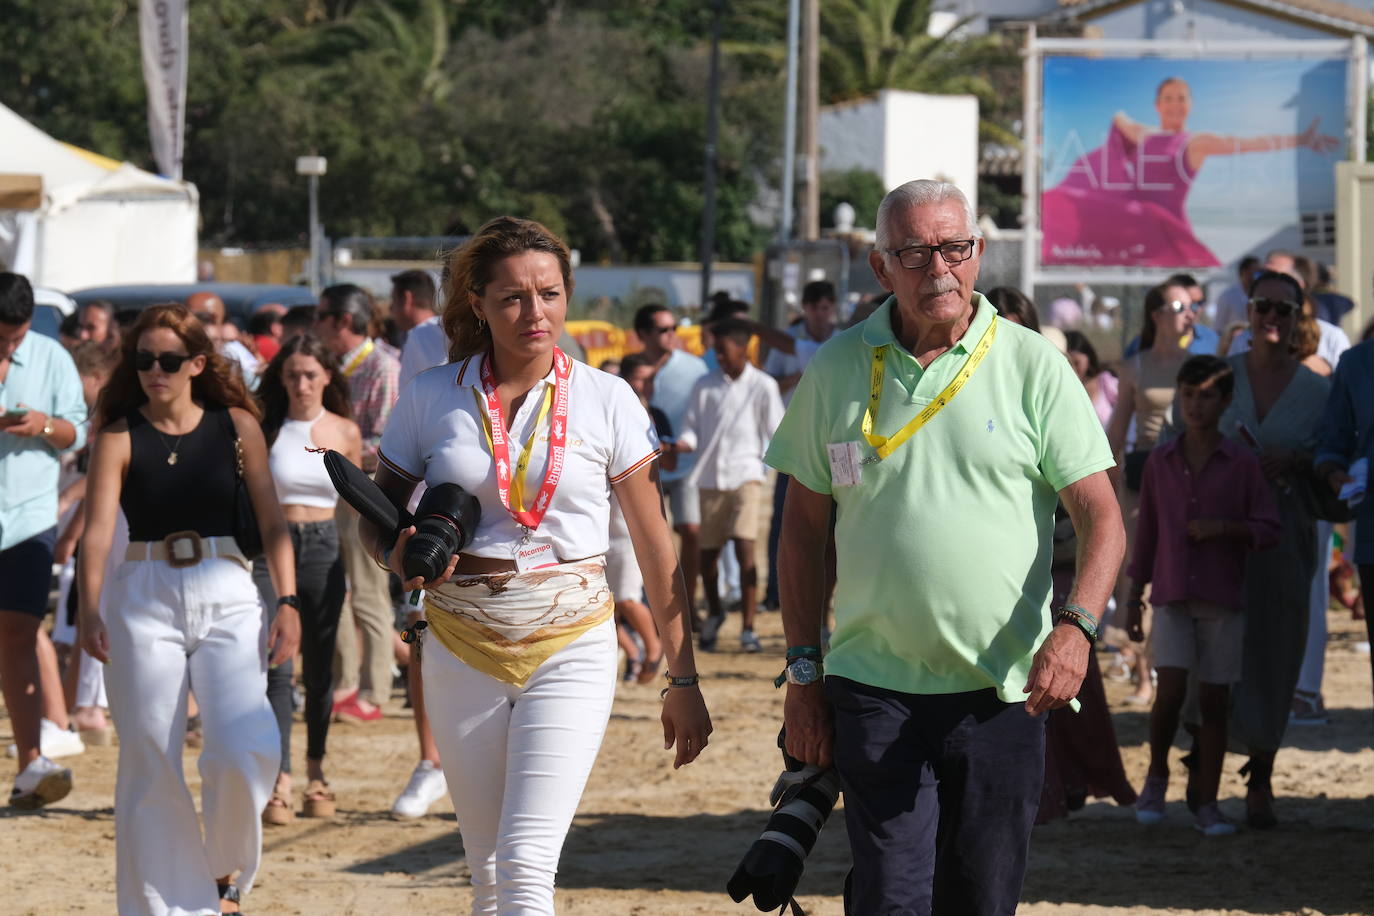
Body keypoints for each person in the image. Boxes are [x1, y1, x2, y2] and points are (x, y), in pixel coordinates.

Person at [767, 180, 1123, 913]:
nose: (939, 267)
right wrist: (803, 673)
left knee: (979, 901)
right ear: (880, 267)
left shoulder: (1031, 364)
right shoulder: (837, 367)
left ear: (978, 252)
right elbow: (801, 534)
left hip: (1003, 694)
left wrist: (1077, 628)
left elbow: (1103, 519)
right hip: (873, 689)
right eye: (915, 252)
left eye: (955, 248)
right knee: (891, 899)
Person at [364, 216, 710, 912]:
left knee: (524, 864)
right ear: (477, 304)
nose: (535, 313)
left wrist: (683, 677)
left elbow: (655, 545)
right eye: (513, 298)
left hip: (572, 640)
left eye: (549, 294)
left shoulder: (608, 398)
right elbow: (377, 516)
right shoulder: (430, 394)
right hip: (459, 639)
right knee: (487, 872)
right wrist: (395, 552)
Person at [78, 303, 301, 914]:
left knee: (241, 746)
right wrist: (89, 609)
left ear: (198, 364)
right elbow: (97, 533)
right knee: (149, 754)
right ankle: (168, 905)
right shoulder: (118, 435)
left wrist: (287, 600)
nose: (156, 370)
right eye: (144, 359)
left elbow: (272, 521)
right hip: (142, 595)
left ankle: (223, 871)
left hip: (229, 589)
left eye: (170, 360)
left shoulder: (237, 426)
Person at [1126, 355, 1280, 836]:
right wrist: (1133, 598)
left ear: (1227, 401)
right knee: (1170, 691)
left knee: (1214, 701)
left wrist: (1226, 529)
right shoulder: (1161, 462)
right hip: (1171, 594)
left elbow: (1269, 527)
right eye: (1188, 395)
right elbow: (1147, 534)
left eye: (1207, 396)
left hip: (1221, 596)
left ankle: (1208, 802)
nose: (1196, 405)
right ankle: (1156, 776)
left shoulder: (1242, 464)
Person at [1217, 269, 1331, 828]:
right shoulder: (1219, 379)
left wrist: (1300, 461)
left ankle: (1261, 773)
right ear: (1249, 309)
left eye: (1284, 310)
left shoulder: (1318, 391)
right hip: (1217, 539)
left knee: (1277, 651)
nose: (1271, 317)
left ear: (1297, 318)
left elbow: (1336, 459)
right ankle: (1202, 773)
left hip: (1285, 535)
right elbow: (1177, 445)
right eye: (1263, 305)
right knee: (1214, 650)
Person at [1042, 77, 1339, 267]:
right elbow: (1122, 122)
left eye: (1181, 98)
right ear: (1157, 105)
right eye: (1168, 98)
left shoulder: (1195, 142)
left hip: (1164, 226)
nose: (1175, 104)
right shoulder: (1146, 135)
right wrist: (1119, 117)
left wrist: (1300, 140)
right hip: (1133, 220)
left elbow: (1244, 144)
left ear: (1191, 104)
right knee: (1059, 203)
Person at [254, 334, 361, 826]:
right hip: (273, 547)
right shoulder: (265, 428)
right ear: (280, 378)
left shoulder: (344, 430)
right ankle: (280, 777)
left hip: (323, 546)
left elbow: (358, 507)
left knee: (320, 668)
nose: (301, 384)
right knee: (277, 664)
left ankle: (316, 769)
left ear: (326, 378)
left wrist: (366, 570)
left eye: (310, 374)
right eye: (292, 374)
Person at [0, 272, 87, 808]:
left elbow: (77, 431)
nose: (9, 347)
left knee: (20, 633)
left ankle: (31, 762)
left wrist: (43, 425)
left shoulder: (52, 357)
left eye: (16, 337)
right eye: (1, 338)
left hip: (29, 518)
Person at [1104, 280, 1198, 704]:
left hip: (1189, 477)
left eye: (1193, 307)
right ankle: (1144, 674)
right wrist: (1107, 487)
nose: (1190, 314)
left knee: (1181, 573)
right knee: (1138, 574)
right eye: (1181, 307)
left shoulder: (1199, 365)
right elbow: (1116, 433)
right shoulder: (1135, 366)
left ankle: (1170, 667)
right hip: (1143, 479)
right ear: (1157, 315)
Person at [314, 284, 400, 722]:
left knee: (367, 591)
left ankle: (374, 690)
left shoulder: (382, 366)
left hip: (365, 487)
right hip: (332, 485)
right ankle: (346, 682)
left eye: (320, 316)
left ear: (343, 321)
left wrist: (332, 446)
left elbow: (387, 441)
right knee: (336, 589)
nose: (315, 325)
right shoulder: (332, 365)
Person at [675, 319, 785, 653]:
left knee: (744, 547)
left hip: (746, 476)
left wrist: (782, 463)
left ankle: (749, 628)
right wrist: (680, 444)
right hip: (709, 479)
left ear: (742, 348)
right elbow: (691, 428)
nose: (719, 357)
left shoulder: (763, 385)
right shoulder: (704, 385)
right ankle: (715, 613)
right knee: (708, 557)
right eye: (716, 351)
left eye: (723, 351)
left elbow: (776, 429)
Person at [762, 281, 838, 612]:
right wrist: (797, 378)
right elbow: (768, 385)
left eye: (826, 308)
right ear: (805, 308)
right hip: (797, 446)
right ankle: (776, 591)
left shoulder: (842, 340)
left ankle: (829, 601)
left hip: (836, 447)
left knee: (837, 526)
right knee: (786, 521)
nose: (821, 314)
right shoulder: (790, 344)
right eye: (815, 308)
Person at [632, 304, 708, 615]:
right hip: (640, 469)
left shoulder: (695, 368)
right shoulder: (630, 371)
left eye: (674, 328)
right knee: (648, 537)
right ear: (642, 334)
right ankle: (646, 604)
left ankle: (686, 604)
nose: (671, 335)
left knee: (691, 532)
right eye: (663, 329)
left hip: (687, 465)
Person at [607, 352, 675, 682]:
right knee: (606, 603)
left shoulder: (656, 415)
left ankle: (653, 651)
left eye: (650, 380)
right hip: (605, 516)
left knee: (627, 598)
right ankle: (636, 653)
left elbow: (670, 465)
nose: (646, 385)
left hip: (632, 520)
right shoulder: (612, 411)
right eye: (640, 378)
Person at [188, 291, 261, 386]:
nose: (186, 321)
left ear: (214, 317)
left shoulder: (232, 350)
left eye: (198, 317)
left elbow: (255, 377)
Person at [393, 269, 445, 388]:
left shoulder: (418, 336)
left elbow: (406, 392)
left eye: (394, 300)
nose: (391, 308)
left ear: (407, 299)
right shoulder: (448, 330)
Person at [1064, 330, 1118, 427]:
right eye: (1068, 364)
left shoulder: (1105, 383)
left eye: (1077, 363)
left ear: (1088, 358)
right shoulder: (1062, 389)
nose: (1073, 368)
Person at [1214, 255, 1261, 333]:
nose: (1257, 276)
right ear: (1244, 272)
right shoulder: (1228, 296)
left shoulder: (1260, 295)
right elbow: (1219, 326)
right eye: (1255, 272)